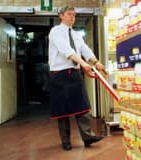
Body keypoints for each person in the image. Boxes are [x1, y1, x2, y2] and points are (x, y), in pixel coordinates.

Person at [48, 5, 107, 151]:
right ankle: (66, 141)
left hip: (74, 75)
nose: (72, 17)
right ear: (61, 15)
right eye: (69, 14)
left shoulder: (76, 34)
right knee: (63, 111)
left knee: (83, 107)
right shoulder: (55, 32)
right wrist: (82, 63)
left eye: (74, 15)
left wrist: (96, 62)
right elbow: (66, 50)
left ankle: (88, 137)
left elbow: (84, 49)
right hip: (59, 75)